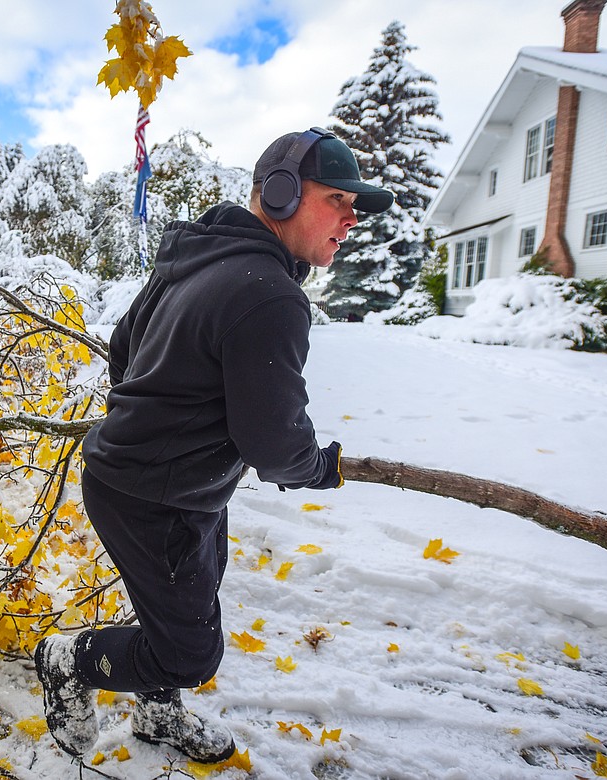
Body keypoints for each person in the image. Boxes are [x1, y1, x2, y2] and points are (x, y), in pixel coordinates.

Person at [34, 128, 394, 761]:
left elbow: (124, 350)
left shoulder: (199, 258)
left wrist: (169, 414)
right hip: (151, 492)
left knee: (181, 609)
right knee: (187, 650)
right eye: (337, 198)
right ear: (280, 194)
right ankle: (68, 660)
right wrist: (317, 468)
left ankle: (156, 718)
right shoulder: (269, 294)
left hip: (165, 481)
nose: (351, 217)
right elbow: (274, 441)